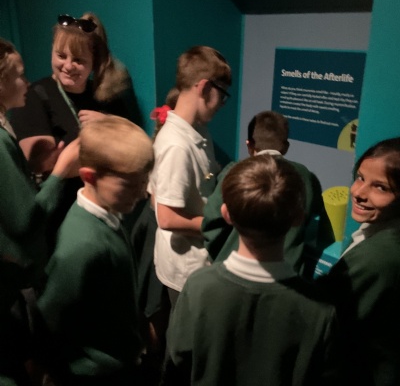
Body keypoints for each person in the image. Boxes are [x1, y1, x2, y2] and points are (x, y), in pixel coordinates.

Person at [164, 155, 341, 386]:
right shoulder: (320, 311)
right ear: (299, 217)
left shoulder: (198, 288)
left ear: (226, 214)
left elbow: (176, 366)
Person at [36, 116, 154, 386]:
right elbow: (51, 317)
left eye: (144, 181)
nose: (143, 193)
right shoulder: (83, 245)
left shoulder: (110, 215)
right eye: (130, 185)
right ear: (89, 176)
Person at [10, 12, 136, 242]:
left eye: (79, 60)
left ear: (94, 62)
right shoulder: (33, 96)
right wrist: (108, 139)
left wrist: (109, 123)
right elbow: (42, 165)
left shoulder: (108, 98)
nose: (68, 66)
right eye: (61, 55)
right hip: (60, 220)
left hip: (108, 216)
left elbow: (134, 152)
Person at [0, 38, 78, 386]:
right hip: (13, 282)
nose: (27, 82)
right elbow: (25, 219)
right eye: (19, 75)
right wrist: (61, 171)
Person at [202, 110, 334, 279]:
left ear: (249, 144)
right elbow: (313, 213)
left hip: (235, 271)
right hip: (286, 273)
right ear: (286, 146)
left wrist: (219, 257)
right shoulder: (305, 176)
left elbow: (211, 222)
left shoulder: (235, 172)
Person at [149, 45, 231, 307]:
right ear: (205, 88)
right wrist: (220, 223)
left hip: (196, 260)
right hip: (186, 270)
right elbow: (166, 217)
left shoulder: (198, 130)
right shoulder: (177, 146)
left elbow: (155, 195)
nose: (222, 105)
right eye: (222, 95)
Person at [317, 137, 400, 386]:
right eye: (360, 178)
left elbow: (325, 318)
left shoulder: (378, 256)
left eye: (381, 187)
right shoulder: (380, 234)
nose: (358, 193)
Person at [130, 87, 179, 385]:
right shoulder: (169, 145)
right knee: (154, 300)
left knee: (154, 298)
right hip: (155, 227)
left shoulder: (162, 140)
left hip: (153, 225)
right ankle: (153, 361)